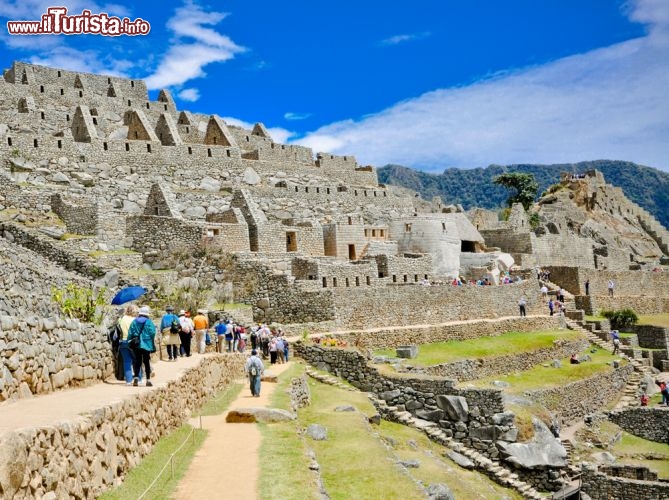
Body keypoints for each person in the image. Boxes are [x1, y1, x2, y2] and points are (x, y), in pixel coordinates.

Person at [127, 306, 156, 387]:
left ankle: (136, 378)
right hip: (146, 344)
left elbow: (130, 333)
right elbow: (153, 332)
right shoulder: (149, 322)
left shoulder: (134, 321)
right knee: (146, 362)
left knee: (137, 361)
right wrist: (150, 340)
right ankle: (148, 380)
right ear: (147, 314)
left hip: (136, 345)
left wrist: (130, 341)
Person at [118, 304, 140, 385]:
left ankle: (128, 381)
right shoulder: (135, 320)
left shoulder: (122, 319)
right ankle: (139, 379)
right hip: (133, 342)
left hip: (123, 342)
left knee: (126, 361)